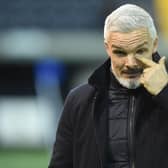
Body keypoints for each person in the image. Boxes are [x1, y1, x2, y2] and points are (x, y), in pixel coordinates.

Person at [48, 4, 168, 168]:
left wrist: (164, 92)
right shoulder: (79, 100)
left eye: (140, 51)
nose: (130, 63)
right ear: (107, 48)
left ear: (154, 45)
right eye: (120, 53)